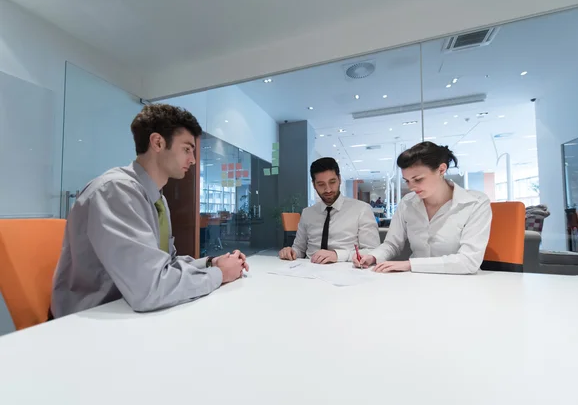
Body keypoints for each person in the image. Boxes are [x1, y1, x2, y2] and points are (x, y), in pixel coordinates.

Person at [51, 104, 249, 318]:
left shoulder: (156, 199)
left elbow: (166, 265)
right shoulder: (116, 192)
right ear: (158, 142)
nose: (192, 159)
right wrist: (219, 275)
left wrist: (211, 263)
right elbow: (150, 288)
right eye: (186, 149)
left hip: (128, 311)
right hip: (91, 320)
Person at [354, 142, 492, 274]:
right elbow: (392, 244)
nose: (411, 187)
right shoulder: (407, 203)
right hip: (416, 282)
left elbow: (468, 261)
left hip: (460, 284)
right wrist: (372, 257)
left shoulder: (475, 203)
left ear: (441, 170)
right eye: (407, 181)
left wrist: (410, 264)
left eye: (418, 179)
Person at [279, 157, 380, 264]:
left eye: (332, 182)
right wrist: (291, 252)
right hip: (309, 270)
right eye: (321, 184)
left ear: (339, 179)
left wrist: (337, 255)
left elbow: (373, 251)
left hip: (346, 271)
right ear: (314, 185)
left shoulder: (362, 210)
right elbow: (299, 249)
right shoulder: (307, 213)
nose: (328, 189)